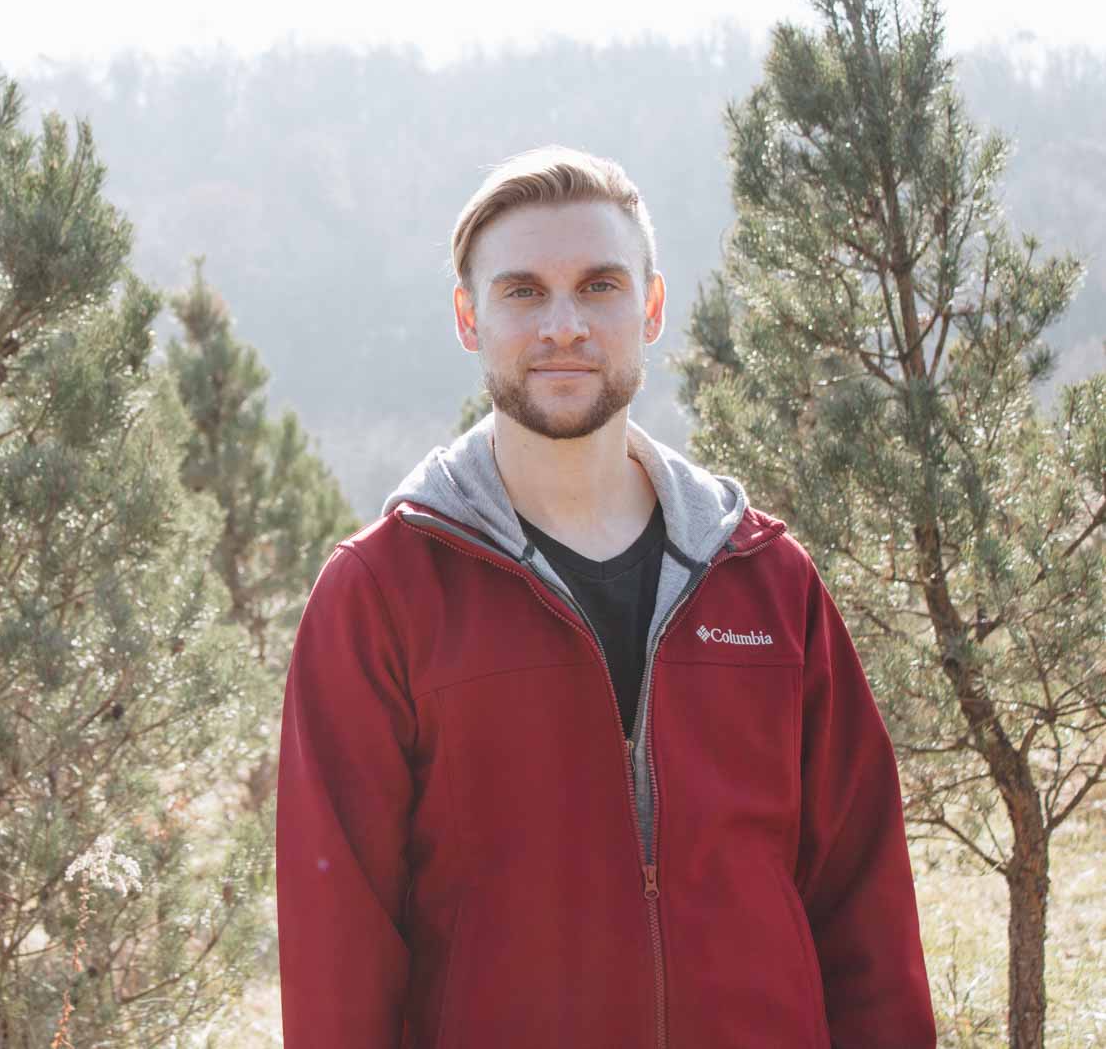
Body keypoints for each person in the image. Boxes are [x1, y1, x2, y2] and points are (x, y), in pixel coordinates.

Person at [275, 146, 935, 1047]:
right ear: (468, 318)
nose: (562, 325)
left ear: (651, 307)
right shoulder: (380, 596)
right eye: (522, 291)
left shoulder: (770, 581)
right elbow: (338, 959)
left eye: (597, 286)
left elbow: (866, 913)